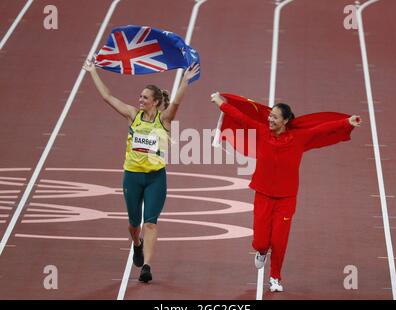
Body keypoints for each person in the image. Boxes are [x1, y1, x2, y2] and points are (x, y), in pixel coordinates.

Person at [210, 93, 361, 292]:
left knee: (280, 241)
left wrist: (346, 122)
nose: (270, 119)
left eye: (275, 117)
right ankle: (261, 251)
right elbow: (241, 118)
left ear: (286, 121)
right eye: (270, 115)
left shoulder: (299, 138)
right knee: (261, 241)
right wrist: (221, 103)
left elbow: (321, 129)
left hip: (286, 198)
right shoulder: (262, 131)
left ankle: (275, 277)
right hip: (263, 194)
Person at [83, 59, 200, 282]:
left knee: (151, 222)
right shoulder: (132, 115)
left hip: (156, 178)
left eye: (145, 97)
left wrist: (185, 81)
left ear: (155, 102)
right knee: (134, 223)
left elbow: (176, 102)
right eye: (140, 97)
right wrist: (93, 72)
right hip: (132, 177)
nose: (140, 99)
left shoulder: (164, 120)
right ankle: (137, 243)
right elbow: (107, 97)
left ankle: (146, 267)